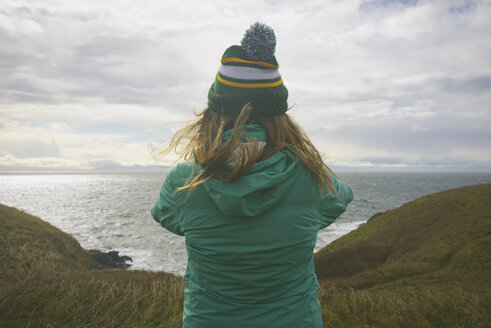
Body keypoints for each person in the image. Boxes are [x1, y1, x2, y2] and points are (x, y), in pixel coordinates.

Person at [151, 22, 353, 328]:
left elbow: (165, 214)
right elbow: (341, 197)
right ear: (279, 114)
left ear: (215, 111)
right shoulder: (313, 179)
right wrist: (301, 153)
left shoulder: (185, 180)